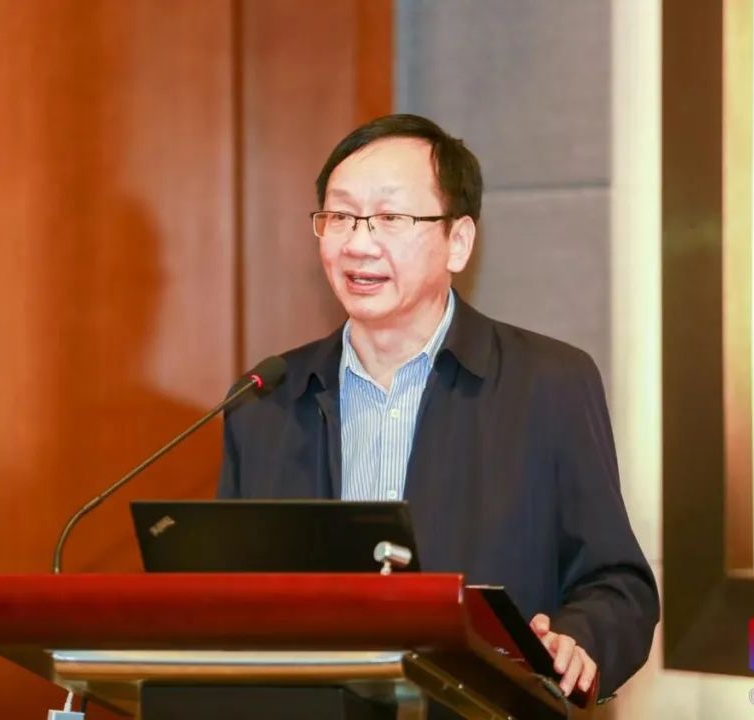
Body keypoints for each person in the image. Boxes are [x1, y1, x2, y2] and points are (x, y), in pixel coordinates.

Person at [218, 113, 659, 703]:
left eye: (390, 218)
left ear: (458, 241)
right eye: (340, 216)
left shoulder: (549, 384)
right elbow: (222, 598)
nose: (358, 243)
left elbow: (619, 586)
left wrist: (578, 639)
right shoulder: (267, 399)